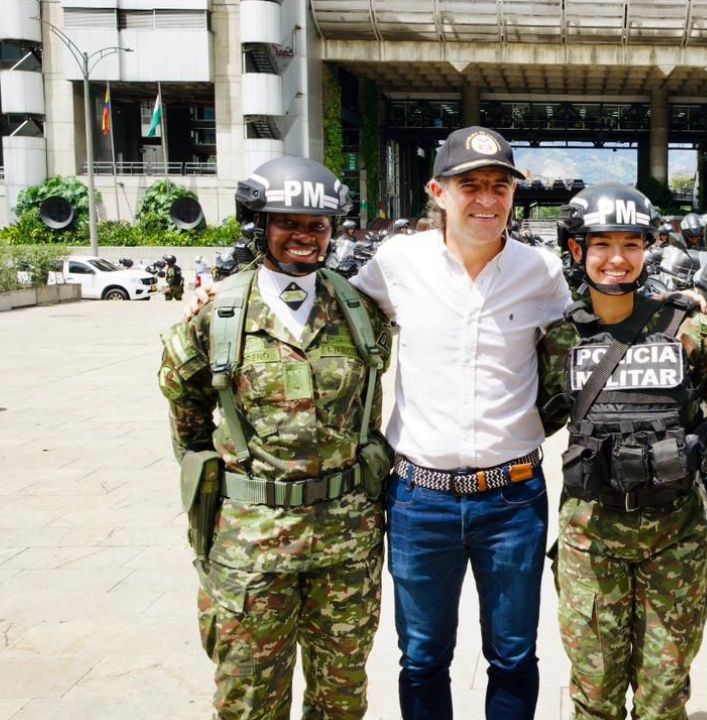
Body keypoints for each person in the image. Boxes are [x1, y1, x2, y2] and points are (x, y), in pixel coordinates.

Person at [159, 156, 393, 719]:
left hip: (347, 539)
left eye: (317, 226)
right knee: (248, 700)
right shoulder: (218, 314)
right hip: (251, 545)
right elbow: (186, 411)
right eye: (287, 222)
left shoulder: (360, 309)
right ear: (258, 226)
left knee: (341, 697)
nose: (304, 237)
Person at [353, 126, 572, 719]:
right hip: (420, 500)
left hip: (512, 500)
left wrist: (682, 308)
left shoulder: (541, 272)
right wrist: (215, 291)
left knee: (514, 654)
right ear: (437, 191)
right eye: (469, 184)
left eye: (499, 186)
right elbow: (328, 309)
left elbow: (596, 331)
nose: (486, 199)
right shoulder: (396, 264)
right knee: (423, 656)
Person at [536, 184, 707, 720]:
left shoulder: (687, 329)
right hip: (591, 542)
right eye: (601, 245)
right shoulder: (561, 338)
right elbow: (533, 420)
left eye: (631, 244)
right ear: (576, 251)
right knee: (594, 696)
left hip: (674, 540)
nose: (617, 259)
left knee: (664, 695)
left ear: (648, 250)